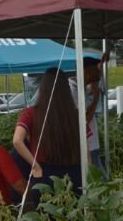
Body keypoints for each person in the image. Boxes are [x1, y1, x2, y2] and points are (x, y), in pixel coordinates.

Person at [19, 72, 86, 211]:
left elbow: (17, 141)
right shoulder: (75, 114)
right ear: (66, 90)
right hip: (74, 173)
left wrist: (35, 166)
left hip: (44, 174)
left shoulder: (30, 113)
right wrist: (88, 173)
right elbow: (85, 146)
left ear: (42, 89)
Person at [82, 53, 110, 179]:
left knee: (100, 179)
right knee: (101, 181)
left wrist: (102, 61)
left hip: (91, 144)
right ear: (88, 71)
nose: (99, 74)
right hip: (86, 145)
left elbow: (97, 70)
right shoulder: (76, 90)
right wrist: (96, 98)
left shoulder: (87, 87)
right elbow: (84, 121)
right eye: (96, 70)